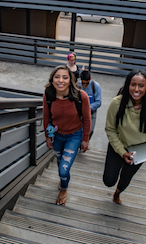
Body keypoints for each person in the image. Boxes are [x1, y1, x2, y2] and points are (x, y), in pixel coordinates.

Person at [103, 69, 146, 204]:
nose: (136, 89)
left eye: (141, 86)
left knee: (125, 178)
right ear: (127, 85)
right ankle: (114, 187)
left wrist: (140, 152)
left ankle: (117, 193)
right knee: (109, 180)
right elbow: (110, 129)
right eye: (133, 84)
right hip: (118, 146)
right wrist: (122, 152)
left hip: (138, 152)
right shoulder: (116, 103)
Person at [43, 65, 91, 205]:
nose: (61, 80)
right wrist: (47, 136)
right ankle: (63, 179)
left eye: (65, 77)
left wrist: (85, 139)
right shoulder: (49, 94)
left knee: (63, 170)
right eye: (57, 77)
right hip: (57, 136)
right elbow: (46, 117)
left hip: (74, 136)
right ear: (52, 80)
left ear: (71, 80)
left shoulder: (81, 96)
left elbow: (87, 118)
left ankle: (64, 188)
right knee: (60, 164)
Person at [77, 70, 102, 142]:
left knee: (90, 130)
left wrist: (87, 108)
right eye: (83, 83)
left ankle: (86, 141)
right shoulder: (78, 85)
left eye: (86, 83)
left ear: (90, 79)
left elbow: (99, 102)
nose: (85, 85)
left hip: (91, 112)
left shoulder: (95, 86)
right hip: (80, 112)